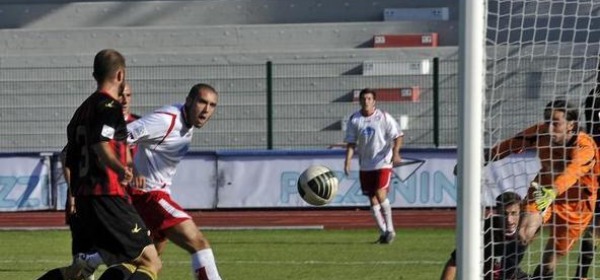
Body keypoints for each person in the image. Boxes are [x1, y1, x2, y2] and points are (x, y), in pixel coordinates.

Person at [64, 49, 162, 280]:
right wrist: (122, 169)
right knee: (151, 262)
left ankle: (82, 267)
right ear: (120, 75)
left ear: (94, 75)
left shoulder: (81, 111)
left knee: (120, 262)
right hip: (106, 195)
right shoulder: (108, 107)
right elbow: (101, 144)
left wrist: (73, 193)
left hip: (86, 197)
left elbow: (71, 156)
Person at [36, 82, 143, 280]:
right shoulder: (99, 120)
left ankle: (91, 260)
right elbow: (68, 155)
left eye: (129, 95)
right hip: (97, 197)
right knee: (91, 266)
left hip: (120, 201)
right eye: (121, 94)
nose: (125, 99)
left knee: (130, 257)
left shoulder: (140, 123)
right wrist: (73, 193)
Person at [485, 99, 600, 279]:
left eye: (556, 123)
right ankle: (506, 274)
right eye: (547, 121)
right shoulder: (540, 133)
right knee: (523, 233)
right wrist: (484, 158)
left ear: (571, 125)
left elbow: (573, 171)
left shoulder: (585, 146)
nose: (550, 127)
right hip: (542, 191)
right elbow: (511, 144)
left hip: (576, 205)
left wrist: (553, 191)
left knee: (549, 262)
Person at [126, 83, 222, 280]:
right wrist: (131, 167)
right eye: (202, 102)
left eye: (212, 105)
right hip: (148, 196)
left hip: (154, 196)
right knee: (199, 244)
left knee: (145, 262)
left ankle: (89, 261)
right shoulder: (165, 121)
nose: (206, 110)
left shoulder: (188, 122)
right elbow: (118, 137)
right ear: (189, 101)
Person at [343, 88, 403, 244]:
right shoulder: (355, 119)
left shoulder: (383, 117)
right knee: (372, 198)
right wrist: (348, 161)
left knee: (380, 192)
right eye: (363, 98)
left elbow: (398, 135)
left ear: (374, 101)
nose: (366, 101)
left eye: (369, 98)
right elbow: (351, 143)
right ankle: (383, 232)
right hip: (366, 164)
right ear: (359, 101)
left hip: (383, 161)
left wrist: (395, 153)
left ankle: (390, 230)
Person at [440, 191, 528, 280]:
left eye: (514, 213)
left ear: (520, 213)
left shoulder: (525, 228)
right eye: (504, 214)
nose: (509, 220)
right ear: (497, 212)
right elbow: (454, 262)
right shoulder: (484, 230)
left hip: (513, 275)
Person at [575, 77, 600, 280]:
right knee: (594, 228)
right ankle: (581, 275)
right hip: (596, 166)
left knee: (595, 229)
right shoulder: (595, 98)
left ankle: (580, 275)